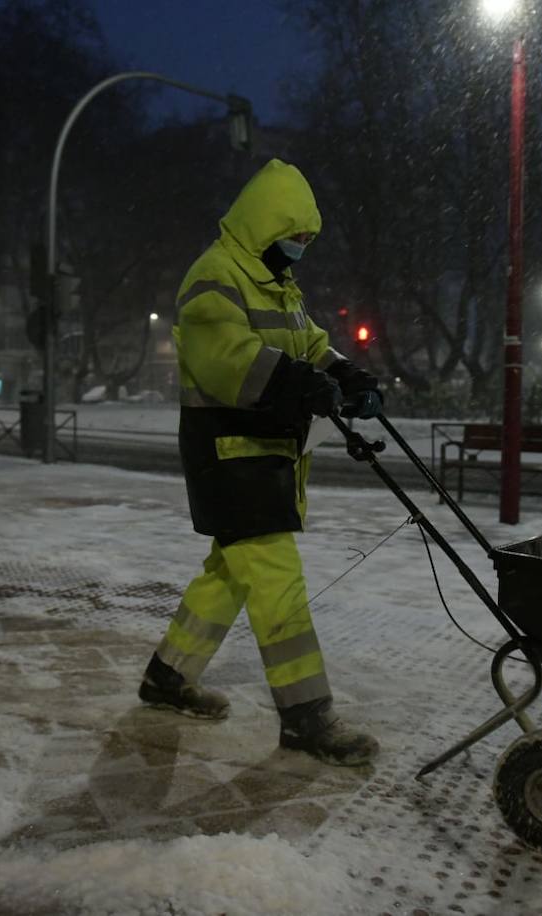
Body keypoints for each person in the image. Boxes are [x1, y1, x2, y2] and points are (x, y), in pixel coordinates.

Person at [139, 159, 384, 767]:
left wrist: (344, 374)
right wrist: (301, 383)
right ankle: (306, 717)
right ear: (265, 223)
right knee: (277, 581)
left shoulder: (277, 285)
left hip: (265, 454)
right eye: (295, 236)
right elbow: (226, 358)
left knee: (227, 577)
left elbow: (306, 345)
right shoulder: (214, 278)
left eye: (307, 241)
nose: (301, 249)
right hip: (228, 453)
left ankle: (166, 679)